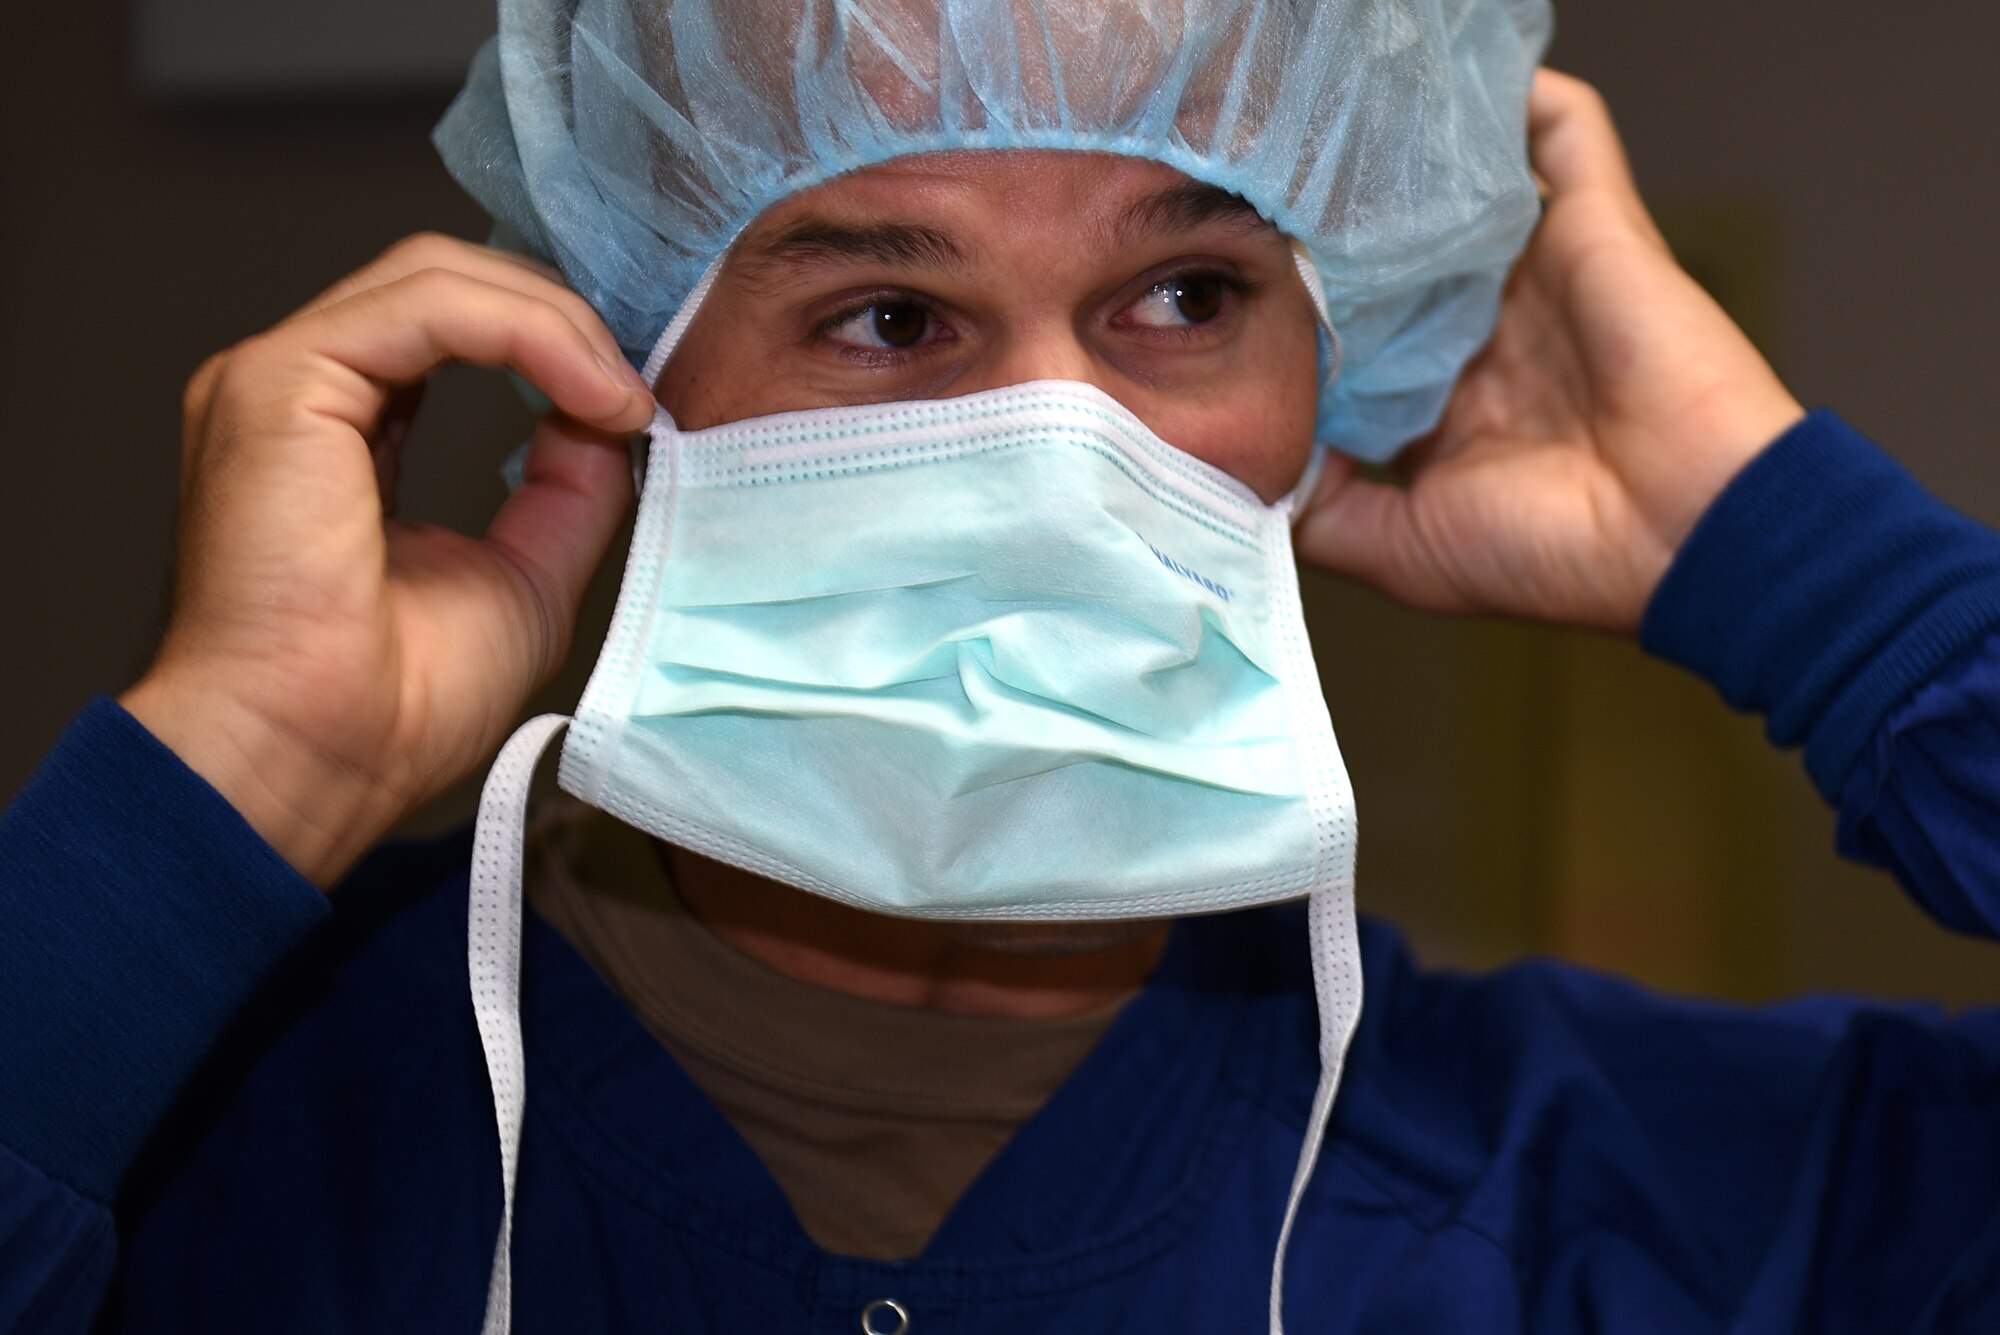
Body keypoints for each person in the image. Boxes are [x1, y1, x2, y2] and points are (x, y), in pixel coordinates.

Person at [4, 0, 1999, 1330]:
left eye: (1185, 295)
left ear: (1345, 364)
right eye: (888, 313)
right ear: (619, 368)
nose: (1055, 449)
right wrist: (225, 781)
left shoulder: (1695, 1205)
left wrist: (1815, 578)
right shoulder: (171, 1121)